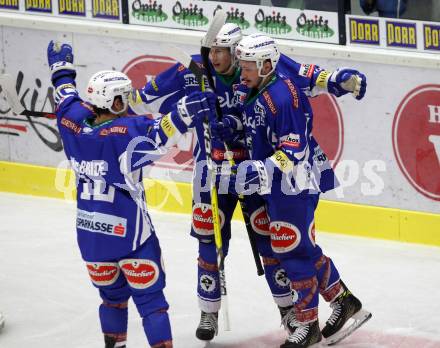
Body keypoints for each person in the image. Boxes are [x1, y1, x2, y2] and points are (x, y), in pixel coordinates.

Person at [129, 22, 366, 342]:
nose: (217, 58)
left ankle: (297, 316)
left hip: (274, 177)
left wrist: (337, 80)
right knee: (215, 241)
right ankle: (336, 300)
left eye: (224, 52)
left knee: (282, 245)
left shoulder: (270, 78)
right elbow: (144, 99)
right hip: (223, 172)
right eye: (211, 49)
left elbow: (304, 97)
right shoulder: (240, 78)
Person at [46, 40, 216, 348]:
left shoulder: (70, 122)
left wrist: (61, 70)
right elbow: (162, 133)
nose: (128, 103)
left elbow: (65, 95)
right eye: (123, 99)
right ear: (113, 103)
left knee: (111, 301)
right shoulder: (127, 135)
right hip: (132, 239)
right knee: (152, 304)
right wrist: (186, 110)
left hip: (92, 239)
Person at [213, 33, 372, 348]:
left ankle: (308, 324)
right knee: (300, 248)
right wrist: (231, 127)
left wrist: (256, 170)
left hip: (294, 181)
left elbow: (293, 150)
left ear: (266, 65)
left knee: (289, 248)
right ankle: (343, 301)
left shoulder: (284, 97)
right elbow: (254, 123)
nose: (240, 72)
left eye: (246, 66)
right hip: (279, 183)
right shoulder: (255, 85)